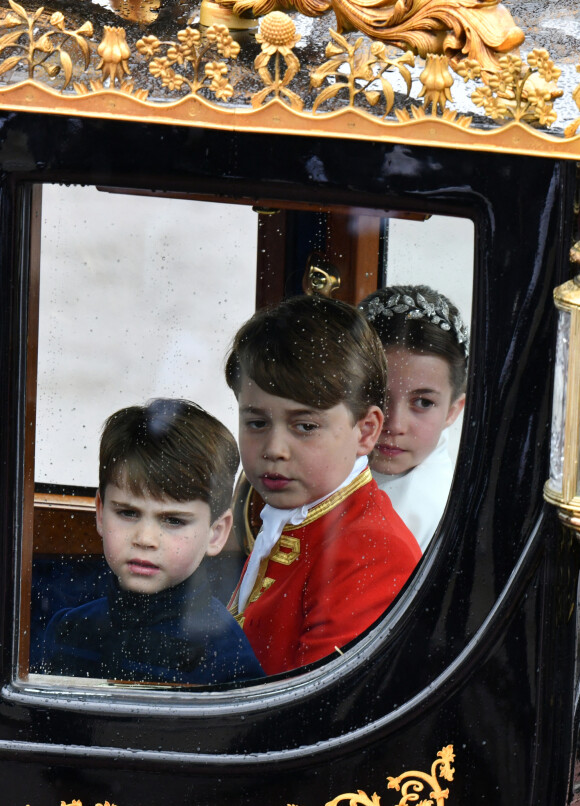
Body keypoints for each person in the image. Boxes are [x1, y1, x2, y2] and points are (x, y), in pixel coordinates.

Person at [225, 295, 422, 675]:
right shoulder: (294, 516)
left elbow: (315, 713)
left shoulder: (372, 551)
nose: (274, 449)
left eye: (305, 426)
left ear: (366, 432)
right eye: (257, 423)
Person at [41, 399, 263, 685]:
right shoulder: (69, 629)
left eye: (173, 520)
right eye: (127, 513)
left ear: (216, 532)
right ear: (100, 512)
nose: (145, 539)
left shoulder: (225, 659)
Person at [359, 285, 469, 553]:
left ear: (453, 410)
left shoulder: (439, 519)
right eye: (376, 396)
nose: (394, 425)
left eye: (423, 402)